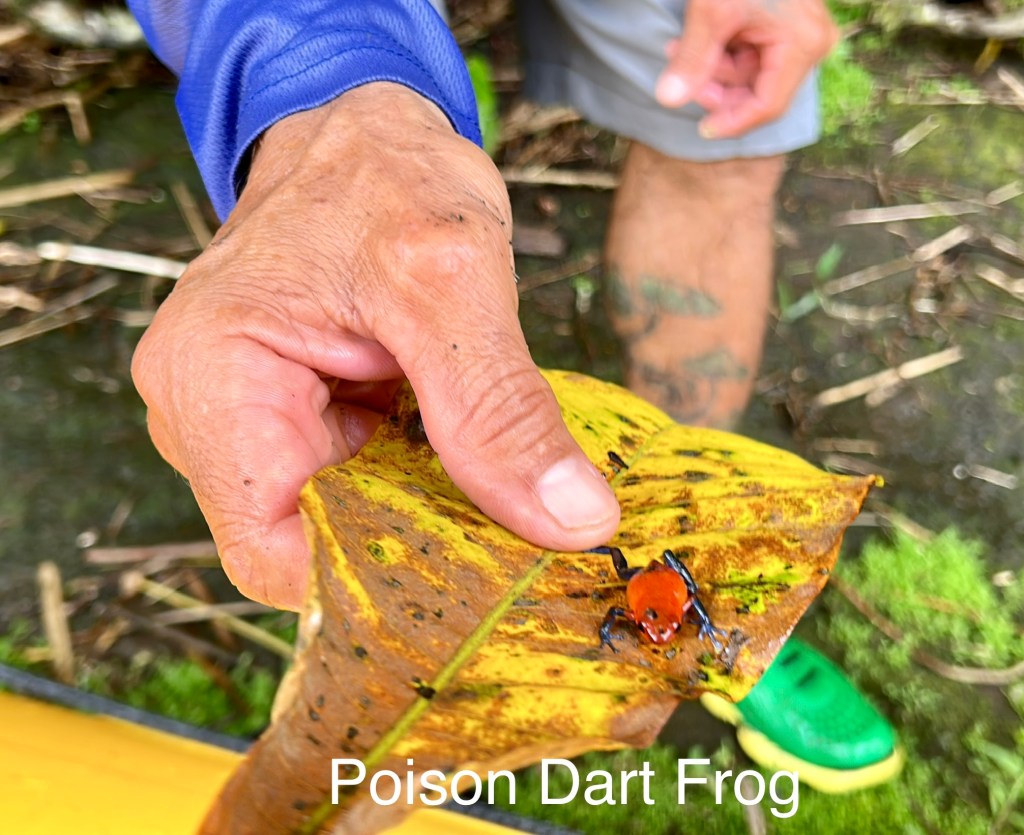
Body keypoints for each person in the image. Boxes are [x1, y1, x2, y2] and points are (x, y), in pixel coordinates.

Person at [126, 0, 902, 792]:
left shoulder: (662, 603)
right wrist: (340, 87)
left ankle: (695, 532)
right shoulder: (638, 607)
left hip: (666, 585)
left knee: (725, 122)